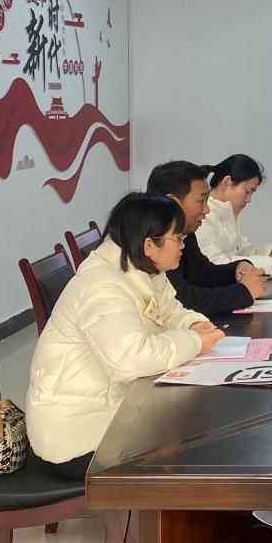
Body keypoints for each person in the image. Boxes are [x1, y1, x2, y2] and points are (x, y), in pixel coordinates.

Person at [26, 192, 225, 477]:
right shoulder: (102, 288)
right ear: (149, 245)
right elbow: (131, 359)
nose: (183, 245)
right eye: (177, 238)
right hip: (77, 436)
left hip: (111, 411)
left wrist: (193, 325)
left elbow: (170, 311)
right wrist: (193, 341)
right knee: (191, 441)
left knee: (197, 425)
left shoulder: (144, 269)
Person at [147, 160, 267, 315]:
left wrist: (237, 268)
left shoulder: (186, 233)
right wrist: (244, 292)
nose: (206, 210)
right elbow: (183, 299)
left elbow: (204, 274)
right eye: (201, 201)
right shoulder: (152, 242)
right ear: (172, 202)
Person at [196, 154, 272, 277]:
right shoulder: (202, 215)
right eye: (247, 191)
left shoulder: (227, 212)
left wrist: (271, 254)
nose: (249, 200)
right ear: (226, 182)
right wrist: (271, 266)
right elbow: (214, 263)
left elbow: (240, 250)